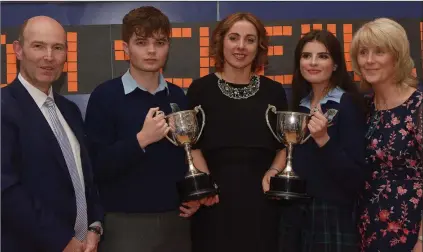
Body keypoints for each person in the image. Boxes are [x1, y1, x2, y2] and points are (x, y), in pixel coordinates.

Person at [84, 6, 201, 252]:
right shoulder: (105, 96)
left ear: (168, 46)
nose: (151, 50)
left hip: (176, 222)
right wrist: (141, 140)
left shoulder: (177, 96)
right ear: (125, 48)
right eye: (141, 42)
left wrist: (194, 194)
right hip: (124, 225)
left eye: (159, 42)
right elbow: (96, 167)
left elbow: (185, 156)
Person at [186, 12, 288, 252]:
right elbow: (192, 144)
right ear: (221, 42)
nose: (241, 46)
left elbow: (286, 145)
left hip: (262, 202)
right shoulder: (200, 89)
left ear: (259, 47)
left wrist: (273, 172)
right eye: (234, 38)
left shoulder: (274, 92)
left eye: (250, 40)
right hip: (213, 202)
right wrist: (205, 184)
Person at [1, 16, 103, 252]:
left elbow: (86, 179)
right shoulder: (4, 108)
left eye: (57, 48)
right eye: (38, 46)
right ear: (18, 50)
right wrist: (62, 242)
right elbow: (5, 190)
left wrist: (94, 227)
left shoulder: (70, 111)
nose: (49, 56)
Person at [263, 29, 366, 252]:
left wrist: (324, 140)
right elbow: (290, 152)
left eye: (323, 56)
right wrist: (274, 170)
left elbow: (356, 177)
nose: (313, 62)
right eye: (306, 55)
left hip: (331, 214)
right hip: (294, 212)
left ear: (336, 64)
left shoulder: (348, 104)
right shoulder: (299, 105)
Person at [351, 18, 423, 252]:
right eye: (363, 52)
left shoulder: (418, 107)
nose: (369, 60)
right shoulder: (364, 109)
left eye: (379, 52)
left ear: (398, 57)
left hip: (411, 232)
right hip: (366, 228)